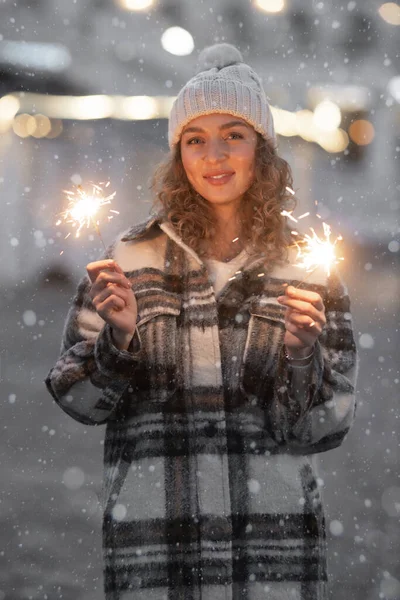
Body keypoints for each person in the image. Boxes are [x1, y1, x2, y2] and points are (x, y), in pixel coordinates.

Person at [46, 43, 358, 600]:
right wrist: (119, 340)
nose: (215, 155)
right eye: (196, 140)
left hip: (270, 553)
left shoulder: (306, 267)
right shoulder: (128, 259)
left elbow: (326, 427)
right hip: (159, 550)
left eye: (233, 134)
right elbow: (78, 400)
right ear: (178, 155)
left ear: (261, 150)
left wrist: (303, 355)